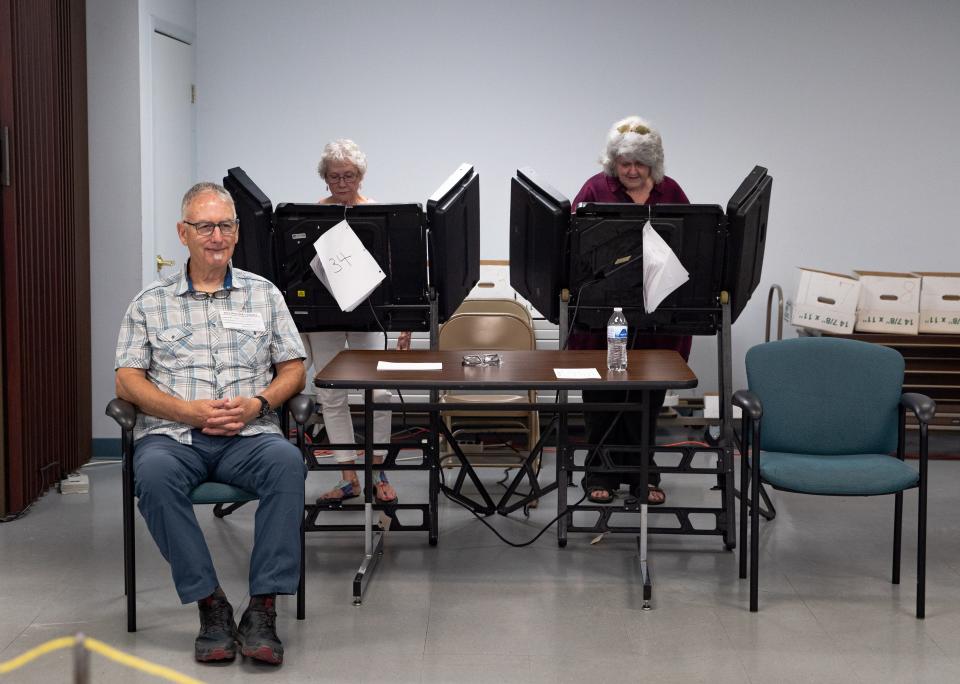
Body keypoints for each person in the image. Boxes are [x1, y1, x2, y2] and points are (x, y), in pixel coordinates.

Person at [115, 182, 307, 665]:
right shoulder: (148, 303)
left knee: (287, 463)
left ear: (237, 234)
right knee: (153, 476)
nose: (216, 236)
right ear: (184, 233)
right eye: (204, 226)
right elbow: (127, 381)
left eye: (225, 226)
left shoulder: (264, 296)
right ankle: (211, 606)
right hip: (174, 438)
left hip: (250, 436)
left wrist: (259, 404)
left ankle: (263, 608)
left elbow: (294, 368)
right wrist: (186, 412)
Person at [570, 115, 691, 506]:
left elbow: (691, 245)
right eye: (626, 163)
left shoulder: (671, 193)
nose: (633, 171)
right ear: (613, 162)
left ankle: (643, 474)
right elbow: (573, 247)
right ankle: (598, 473)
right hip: (603, 316)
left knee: (647, 398)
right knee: (603, 397)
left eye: (641, 164)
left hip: (657, 319)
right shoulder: (594, 189)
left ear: (653, 163)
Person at [303, 139, 410, 505]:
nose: (342, 183)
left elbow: (397, 274)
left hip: (370, 315)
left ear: (360, 176)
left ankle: (377, 473)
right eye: (335, 176)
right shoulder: (311, 214)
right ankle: (348, 477)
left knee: (377, 393)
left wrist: (405, 325)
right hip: (326, 317)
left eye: (349, 175)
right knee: (331, 395)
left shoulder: (378, 214)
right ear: (325, 179)